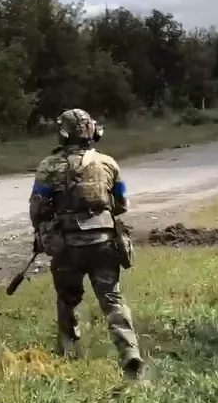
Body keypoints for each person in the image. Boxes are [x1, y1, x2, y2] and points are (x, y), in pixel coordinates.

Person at [29, 108, 144, 379]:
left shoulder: (49, 166)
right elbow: (122, 204)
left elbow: (37, 208)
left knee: (67, 299)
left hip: (68, 247)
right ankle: (130, 352)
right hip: (104, 244)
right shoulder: (108, 163)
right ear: (93, 132)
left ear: (63, 133)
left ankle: (68, 350)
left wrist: (42, 230)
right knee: (112, 300)